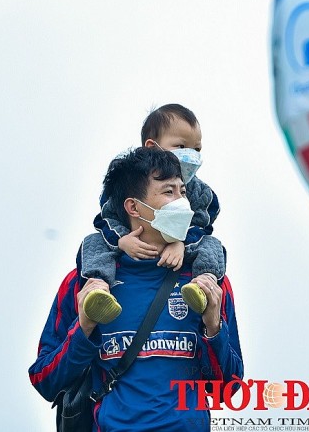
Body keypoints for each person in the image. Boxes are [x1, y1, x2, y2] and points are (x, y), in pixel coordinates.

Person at [29, 147, 243, 431]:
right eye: (168, 192)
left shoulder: (208, 281)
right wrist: (85, 327)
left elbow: (228, 390)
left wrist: (213, 327)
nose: (182, 203)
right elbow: (45, 380)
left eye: (183, 192)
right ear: (134, 207)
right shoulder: (88, 283)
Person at [79, 104, 225, 324]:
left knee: (213, 245)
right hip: (131, 241)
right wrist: (122, 241)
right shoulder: (129, 181)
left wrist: (181, 243)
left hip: (183, 245)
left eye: (197, 149)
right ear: (151, 147)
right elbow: (106, 218)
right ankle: (97, 289)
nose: (191, 155)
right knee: (93, 243)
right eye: (181, 146)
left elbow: (204, 223)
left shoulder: (199, 190)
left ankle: (204, 286)